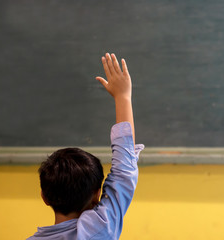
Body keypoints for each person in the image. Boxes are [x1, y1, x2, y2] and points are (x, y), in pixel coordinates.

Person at [27, 53, 144, 239]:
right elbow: (124, 172)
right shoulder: (99, 229)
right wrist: (123, 97)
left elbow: (125, 172)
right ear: (96, 195)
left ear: (44, 197)